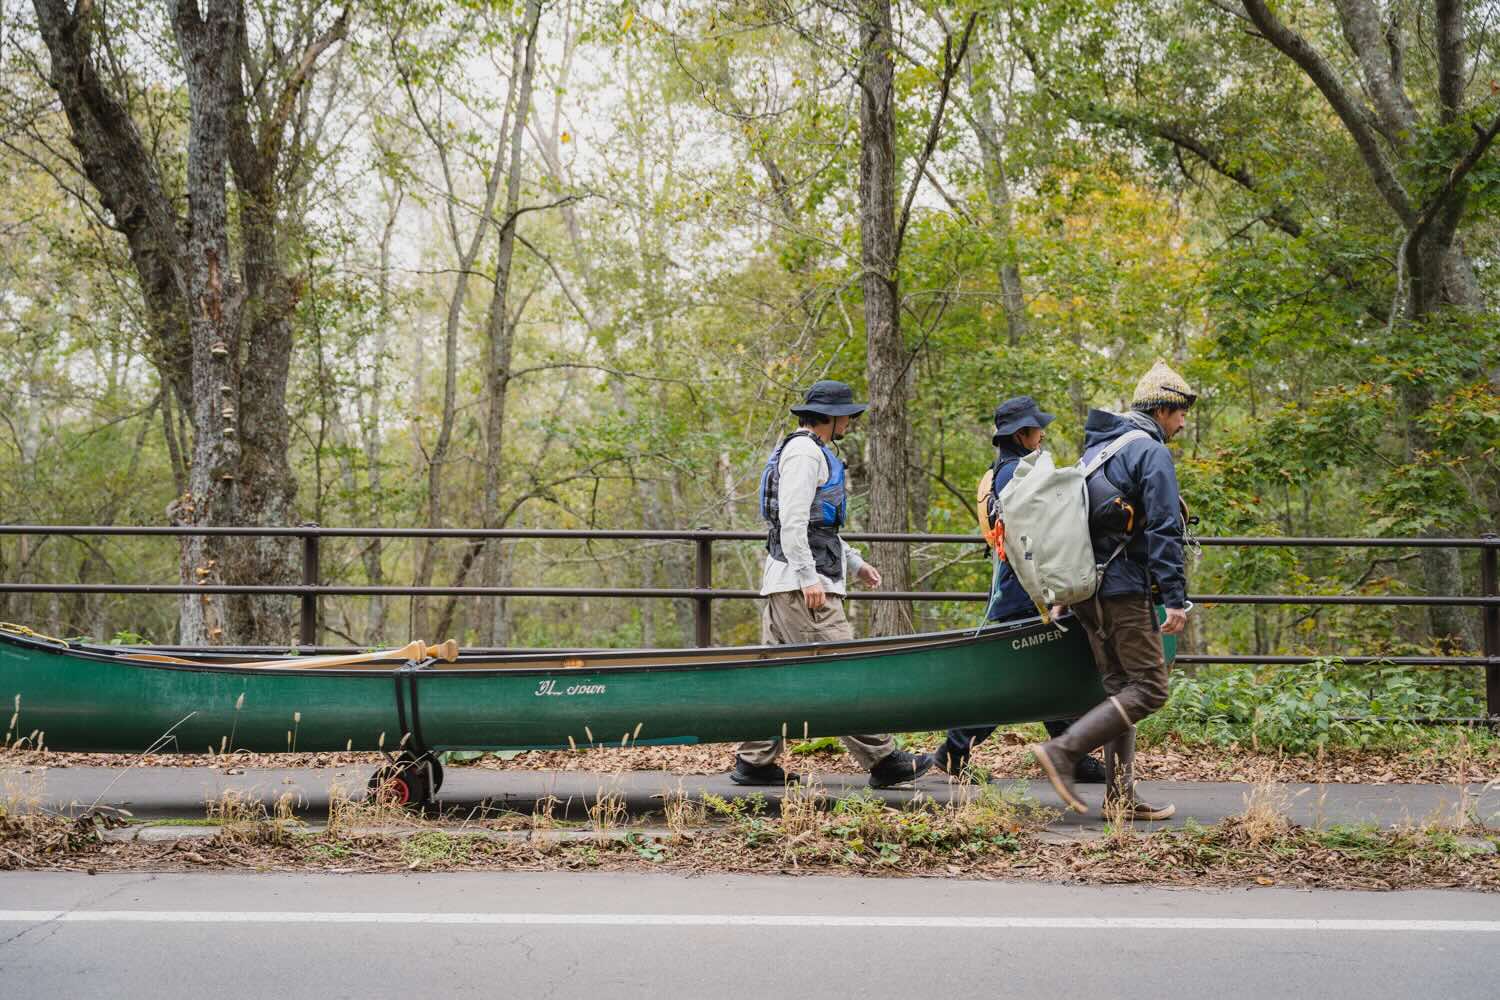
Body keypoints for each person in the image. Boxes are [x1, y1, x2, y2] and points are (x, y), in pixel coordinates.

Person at [730, 379, 935, 788]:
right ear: (831, 417)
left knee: (779, 682)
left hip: (787, 582)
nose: (851, 423)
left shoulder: (805, 449)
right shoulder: (806, 454)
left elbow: (817, 524)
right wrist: (809, 578)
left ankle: (754, 762)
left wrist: (855, 563)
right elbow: (792, 521)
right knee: (844, 670)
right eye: (847, 416)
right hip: (802, 586)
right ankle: (883, 759)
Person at [1029, 360, 1194, 821]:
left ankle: (1119, 798)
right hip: (1124, 589)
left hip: (1087, 591)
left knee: (1121, 687)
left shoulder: (1097, 452)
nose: (1182, 423)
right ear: (1162, 409)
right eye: (1180, 412)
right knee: (1150, 688)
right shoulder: (1150, 452)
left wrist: (1066, 589)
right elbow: (1164, 528)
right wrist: (1175, 598)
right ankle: (1063, 750)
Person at [926, 396, 1105, 784]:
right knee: (1015, 683)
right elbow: (1043, 537)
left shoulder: (998, 473)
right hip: (1025, 594)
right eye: (1037, 429)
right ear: (1022, 435)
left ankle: (1069, 751)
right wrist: (1053, 595)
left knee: (1040, 678)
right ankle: (955, 750)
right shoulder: (1020, 477)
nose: (1042, 434)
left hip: (1014, 590)